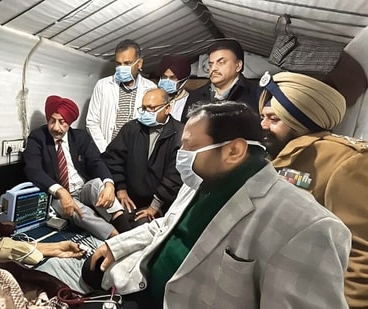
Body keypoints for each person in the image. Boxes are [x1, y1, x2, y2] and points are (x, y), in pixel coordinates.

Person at [82, 101, 351, 308]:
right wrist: (115, 245)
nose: (181, 157)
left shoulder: (305, 227)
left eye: (189, 148)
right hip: (142, 291)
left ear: (233, 151)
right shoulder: (200, 180)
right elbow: (165, 225)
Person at [259, 71, 368, 309]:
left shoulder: (347, 160)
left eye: (273, 119)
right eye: (263, 117)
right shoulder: (275, 154)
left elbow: (360, 253)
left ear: (300, 120)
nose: (263, 125)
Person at [22, 95, 133, 241]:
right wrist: (61, 191)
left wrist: (109, 184)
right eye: (52, 121)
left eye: (62, 122)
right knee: (79, 211)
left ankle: (126, 229)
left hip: (83, 189)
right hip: (57, 196)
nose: (56, 127)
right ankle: (117, 239)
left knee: (98, 185)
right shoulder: (38, 138)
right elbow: (33, 170)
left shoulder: (79, 137)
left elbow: (96, 161)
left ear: (69, 122)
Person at [103, 88, 183, 222]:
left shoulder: (180, 135)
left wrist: (155, 206)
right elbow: (114, 159)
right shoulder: (132, 128)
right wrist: (120, 188)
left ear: (167, 108)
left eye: (151, 108)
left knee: (142, 225)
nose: (146, 113)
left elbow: (175, 175)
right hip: (128, 196)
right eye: (144, 108)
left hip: (160, 203)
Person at [86, 39, 156, 152]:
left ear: (139, 63)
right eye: (118, 64)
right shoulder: (103, 85)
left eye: (127, 63)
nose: (122, 68)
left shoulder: (151, 88)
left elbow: (152, 125)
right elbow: (92, 122)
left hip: (134, 153)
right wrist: (105, 150)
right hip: (107, 151)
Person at [180, 39, 258, 123]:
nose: (213, 68)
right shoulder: (195, 96)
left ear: (238, 65)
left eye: (221, 62)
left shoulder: (257, 94)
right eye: (210, 64)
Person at [157, 55, 191, 120]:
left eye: (172, 78)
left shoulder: (188, 102)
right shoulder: (152, 97)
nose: (167, 81)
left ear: (183, 81)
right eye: (164, 77)